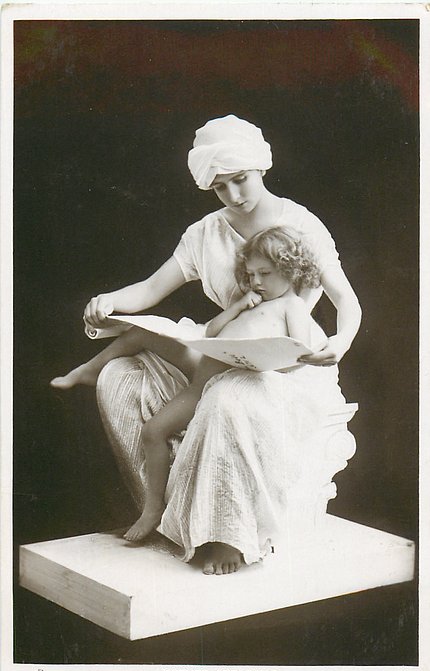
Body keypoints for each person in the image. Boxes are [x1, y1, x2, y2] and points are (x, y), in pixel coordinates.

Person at [52, 115, 362, 575]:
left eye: (240, 179)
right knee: (124, 374)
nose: (233, 195)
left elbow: (346, 301)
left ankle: (226, 535)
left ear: (261, 167)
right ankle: (164, 512)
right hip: (222, 348)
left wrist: (341, 340)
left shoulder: (300, 226)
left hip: (285, 368)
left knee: (227, 397)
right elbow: (151, 289)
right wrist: (108, 301)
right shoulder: (205, 233)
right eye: (220, 187)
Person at [120, 227, 321, 543]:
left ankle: (219, 531)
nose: (256, 282)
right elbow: (211, 333)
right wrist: (238, 307)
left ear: (290, 270)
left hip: (231, 389)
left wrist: (263, 360)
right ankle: (153, 507)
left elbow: (299, 354)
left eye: (265, 274)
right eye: (251, 274)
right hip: (201, 381)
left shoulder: (291, 306)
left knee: (208, 439)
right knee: (152, 432)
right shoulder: (249, 300)